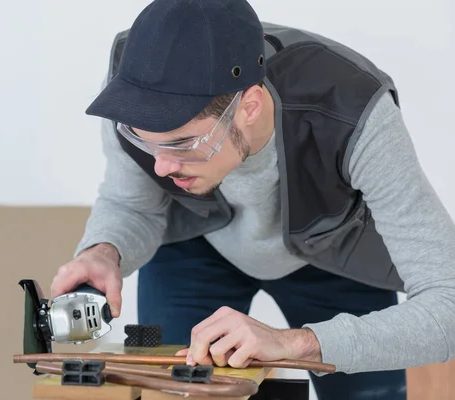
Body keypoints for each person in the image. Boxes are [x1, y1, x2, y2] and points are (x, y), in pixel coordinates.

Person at [50, 0, 455, 398]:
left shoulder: (354, 112)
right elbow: (133, 204)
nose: (161, 168)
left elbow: (449, 305)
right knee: (176, 393)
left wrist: (296, 343)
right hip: (196, 245)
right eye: (144, 141)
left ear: (249, 106)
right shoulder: (133, 91)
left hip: (334, 253)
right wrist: (106, 250)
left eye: (183, 143)